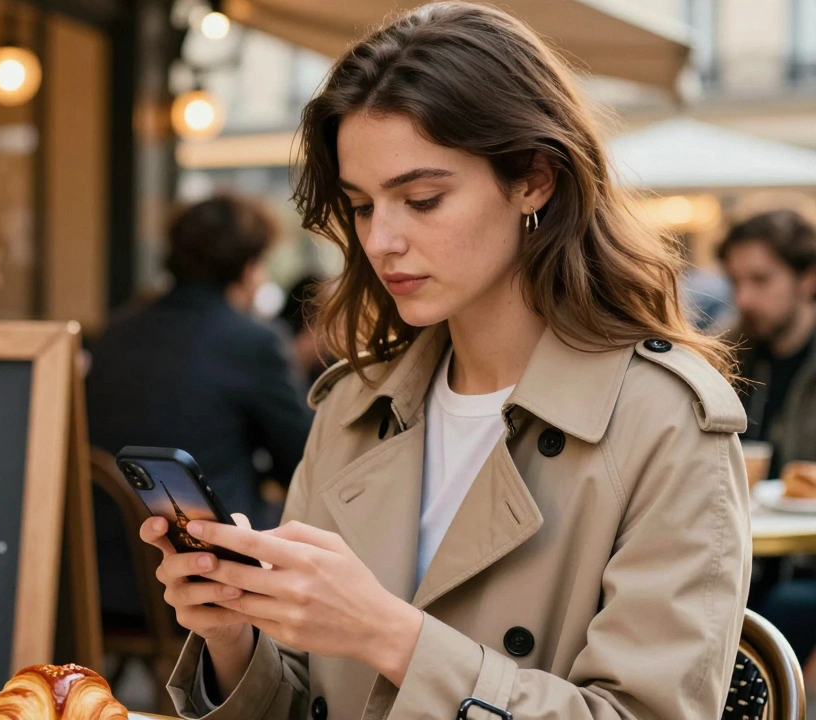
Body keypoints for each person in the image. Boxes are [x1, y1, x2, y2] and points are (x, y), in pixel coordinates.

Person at [141, 4, 752, 719]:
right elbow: (308, 699)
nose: (383, 240)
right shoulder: (354, 406)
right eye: (363, 206)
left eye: (422, 199)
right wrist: (232, 636)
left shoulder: (665, 422)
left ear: (534, 179)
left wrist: (391, 636)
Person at [86, 195, 315, 624]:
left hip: (97, 580)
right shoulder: (251, 342)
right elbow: (304, 463)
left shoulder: (114, 333)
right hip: (204, 579)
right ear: (249, 268)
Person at [719, 209, 816, 477]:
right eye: (735, 282)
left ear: (808, 279)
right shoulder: (724, 355)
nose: (743, 299)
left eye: (760, 280)